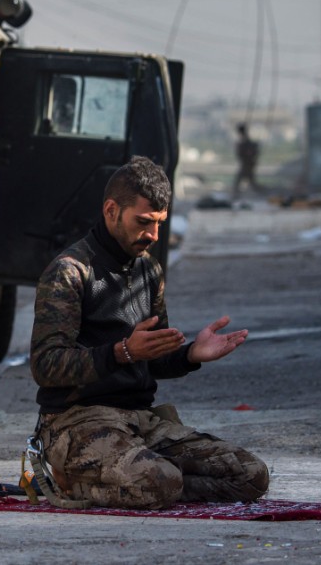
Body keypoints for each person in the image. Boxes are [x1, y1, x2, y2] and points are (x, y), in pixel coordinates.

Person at [30, 156, 269, 510]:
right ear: (112, 211)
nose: (153, 235)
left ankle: (154, 480)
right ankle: (70, 480)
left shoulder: (149, 270)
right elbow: (46, 366)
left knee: (251, 474)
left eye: (159, 223)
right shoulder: (70, 272)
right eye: (143, 222)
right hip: (76, 421)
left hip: (139, 421)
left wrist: (190, 355)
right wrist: (121, 352)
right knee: (159, 482)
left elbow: (152, 358)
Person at [232, 122, 261, 198]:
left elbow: (248, 153)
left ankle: (235, 196)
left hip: (247, 165)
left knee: (240, 182)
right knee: (249, 182)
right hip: (247, 165)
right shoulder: (244, 142)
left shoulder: (245, 142)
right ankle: (235, 195)